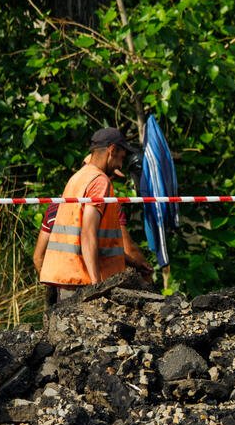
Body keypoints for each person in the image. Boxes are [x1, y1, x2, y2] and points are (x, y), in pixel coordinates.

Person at [39, 127, 152, 301]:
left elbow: (97, 241)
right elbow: (88, 233)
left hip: (68, 279)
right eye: (121, 158)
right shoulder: (99, 181)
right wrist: (96, 286)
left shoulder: (78, 177)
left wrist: (132, 262)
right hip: (84, 281)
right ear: (112, 150)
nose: (120, 166)